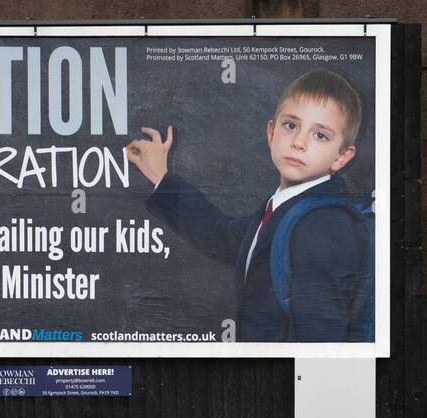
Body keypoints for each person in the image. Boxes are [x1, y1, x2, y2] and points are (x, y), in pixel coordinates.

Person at [126, 68, 371, 342]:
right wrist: (161, 176)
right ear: (271, 132)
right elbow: (222, 237)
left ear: (342, 157)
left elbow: (320, 336)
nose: (299, 142)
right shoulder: (284, 208)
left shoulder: (321, 224)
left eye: (320, 135)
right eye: (291, 125)